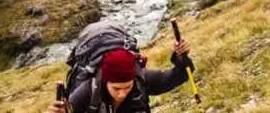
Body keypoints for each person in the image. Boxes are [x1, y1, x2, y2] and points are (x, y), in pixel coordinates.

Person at [48, 39, 193, 113]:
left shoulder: (142, 78)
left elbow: (179, 75)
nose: (122, 94)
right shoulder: (87, 92)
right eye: (116, 88)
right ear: (105, 81)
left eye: (127, 87)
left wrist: (181, 58)